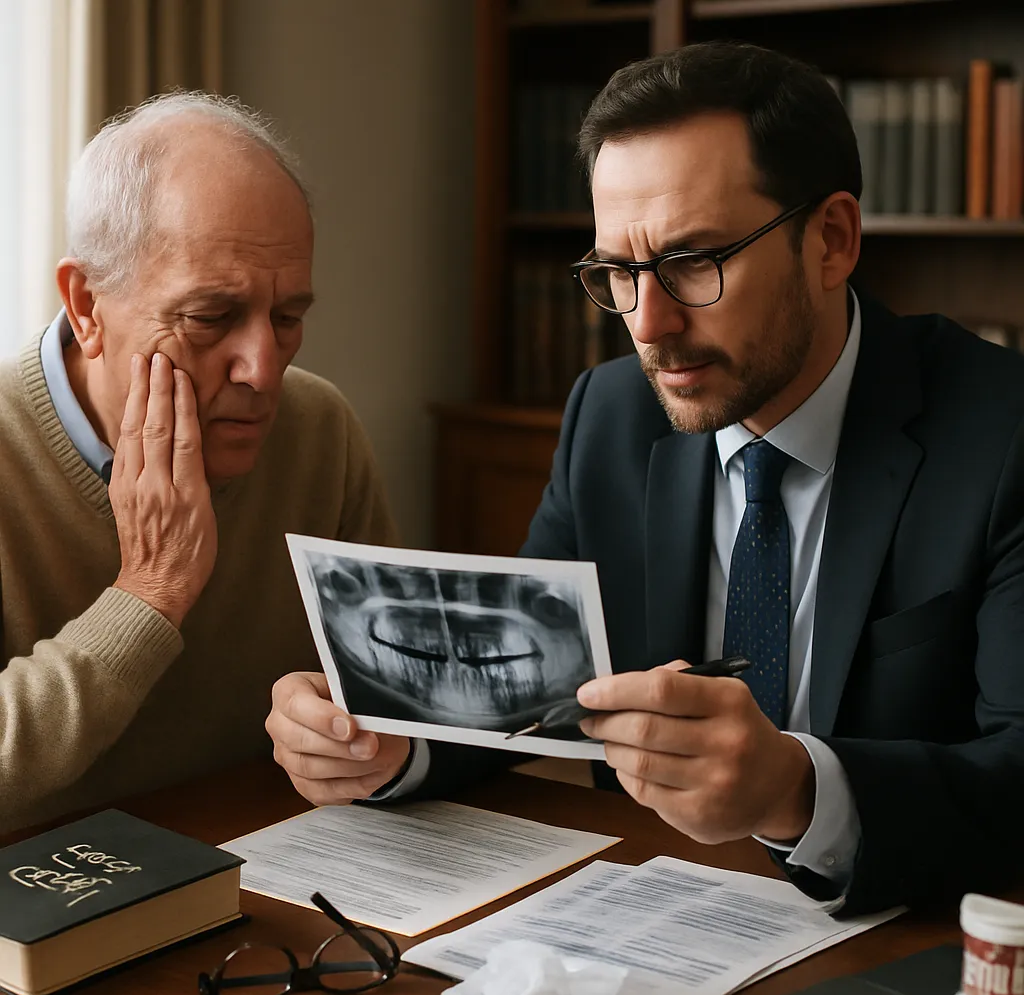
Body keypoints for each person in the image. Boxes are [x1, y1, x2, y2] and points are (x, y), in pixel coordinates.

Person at [266, 42, 1024, 916]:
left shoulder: (1003, 437)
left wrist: (797, 791)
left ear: (832, 240)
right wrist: (386, 742)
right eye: (617, 272)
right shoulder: (611, 415)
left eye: (693, 261)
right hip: (647, 919)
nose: (647, 324)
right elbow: (534, 686)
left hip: (913, 933)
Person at [0, 92, 408, 832]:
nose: (263, 369)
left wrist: (362, 740)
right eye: (210, 318)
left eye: (288, 318)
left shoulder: (320, 430)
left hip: (276, 871)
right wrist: (151, 591)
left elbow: (392, 696)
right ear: (86, 306)